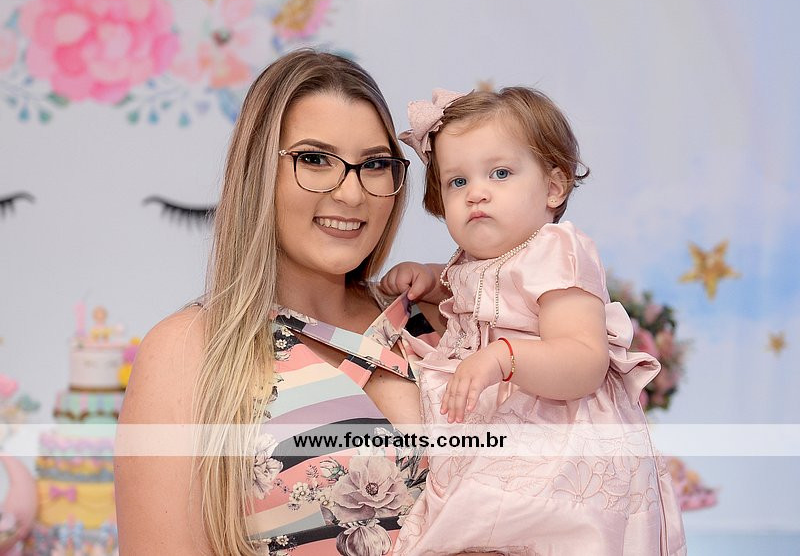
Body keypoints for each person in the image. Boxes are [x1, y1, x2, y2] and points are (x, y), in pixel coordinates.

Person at [114, 49, 447, 555]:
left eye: (375, 164)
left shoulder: (434, 319)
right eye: (314, 159)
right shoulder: (188, 350)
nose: (351, 193)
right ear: (258, 171)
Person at [380, 88, 687, 555]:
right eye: (457, 181)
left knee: (547, 532)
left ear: (553, 188)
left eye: (500, 173)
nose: (476, 192)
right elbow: (476, 292)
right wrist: (429, 278)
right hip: (498, 430)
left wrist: (504, 357)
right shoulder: (473, 262)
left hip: (560, 433)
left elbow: (583, 360)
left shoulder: (556, 252)